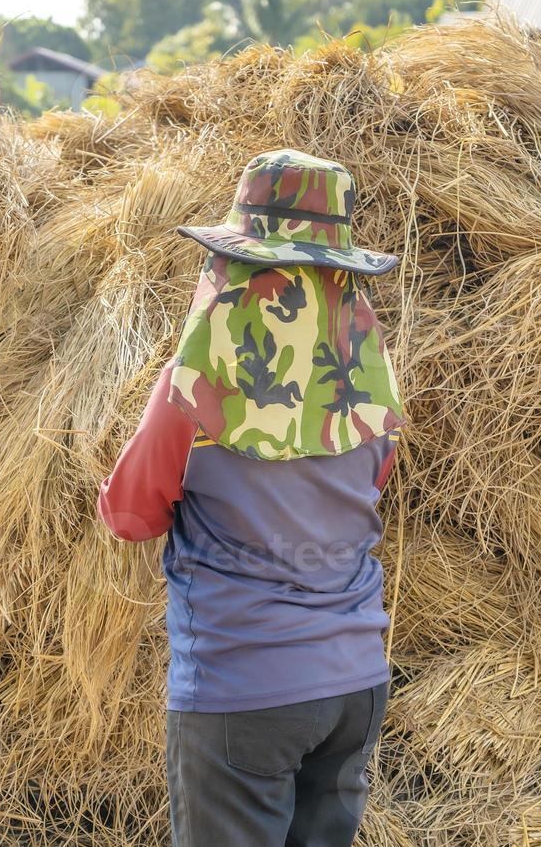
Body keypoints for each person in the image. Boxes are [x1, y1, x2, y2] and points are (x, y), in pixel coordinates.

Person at [97, 149, 407, 847]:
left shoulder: (191, 391)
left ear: (234, 273)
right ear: (341, 281)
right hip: (354, 684)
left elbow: (130, 515)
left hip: (244, 691)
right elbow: (364, 493)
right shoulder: (371, 394)